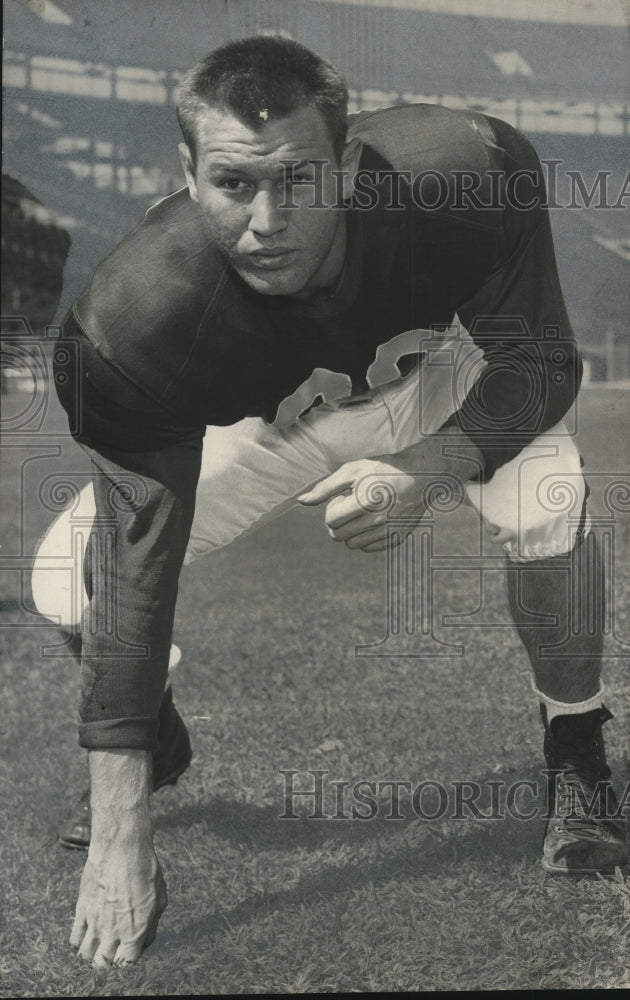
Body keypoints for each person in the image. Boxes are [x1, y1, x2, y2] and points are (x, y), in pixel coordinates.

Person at [32, 35, 627, 967]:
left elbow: (541, 360)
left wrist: (432, 467)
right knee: (65, 586)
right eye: (234, 184)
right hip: (279, 420)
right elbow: (134, 562)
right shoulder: (133, 321)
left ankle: (577, 746)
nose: (269, 219)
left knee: (550, 494)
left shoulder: (463, 171)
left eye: (300, 181)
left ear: (347, 167)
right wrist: (119, 825)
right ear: (187, 175)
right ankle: (160, 742)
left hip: (439, 370)